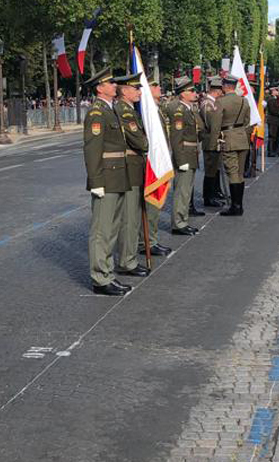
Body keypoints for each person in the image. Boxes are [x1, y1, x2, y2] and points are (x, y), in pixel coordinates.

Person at [82, 67, 132, 296]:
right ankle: (100, 278)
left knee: (112, 229)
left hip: (118, 176)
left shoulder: (110, 110)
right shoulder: (97, 113)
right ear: (100, 88)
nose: (115, 86)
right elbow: (93, 149)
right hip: (106, 177)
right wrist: (96, 181)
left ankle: (108, 272)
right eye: (110, 83)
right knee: (101, 230)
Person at [114, 72, 150, 278]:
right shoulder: (124, 112)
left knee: (133, 215)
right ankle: (127, 261)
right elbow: (140, 142)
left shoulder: (129, 110)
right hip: (129, 166)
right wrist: (146, 142)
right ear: (125, 90)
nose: (139, 91)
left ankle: (130, 256)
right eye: (136, 88)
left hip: (134, 166)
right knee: (129, 217)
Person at [207, 75, 251, 217]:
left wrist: (213, 144)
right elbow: (247, 121)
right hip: (242, 138)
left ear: (225, 86)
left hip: (228, 139)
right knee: (239, 173)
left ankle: (235, 206)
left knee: (232, 173)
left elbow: (215, 125)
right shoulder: (244, 101)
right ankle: (240, 205)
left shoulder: (221, 102)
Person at [140, 78, 173, 256]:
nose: (159, 88)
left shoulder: (156, 109)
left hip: (159, 160)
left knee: (154, 207)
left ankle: (150, 239)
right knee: (150, 205)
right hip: (151, 163)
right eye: (155, 86)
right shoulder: (146, 110)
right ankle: (147, 241)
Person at [166, 78, 203, 236]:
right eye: (192, 91)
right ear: (183, 94)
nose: (195, 93)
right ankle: (178, 223)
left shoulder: (189, 109)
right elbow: (176, 138)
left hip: (191, 154)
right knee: (182, 191)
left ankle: (183, 220)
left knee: (186, 191)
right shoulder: (180, 111)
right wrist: (180, 160)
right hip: (185, 156)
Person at [200, 77, 226, 207]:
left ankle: (215, 193)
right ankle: (208, 197)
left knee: (215, 169)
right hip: (210, 141)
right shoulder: (207, 104)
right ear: (217, 90)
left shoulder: (214, 103)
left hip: (214, 140)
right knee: (210, 170)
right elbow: (211, 124)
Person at [266, 87, 279, 157]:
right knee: (272, 136)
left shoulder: (275, 99)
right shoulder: (271, 99)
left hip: (276, 120)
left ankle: (274, 150)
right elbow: (273, 111)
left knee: (275, 136)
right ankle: (270, 151)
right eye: (277, 90)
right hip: (273, 120)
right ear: (273, 91)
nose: (278, 91)